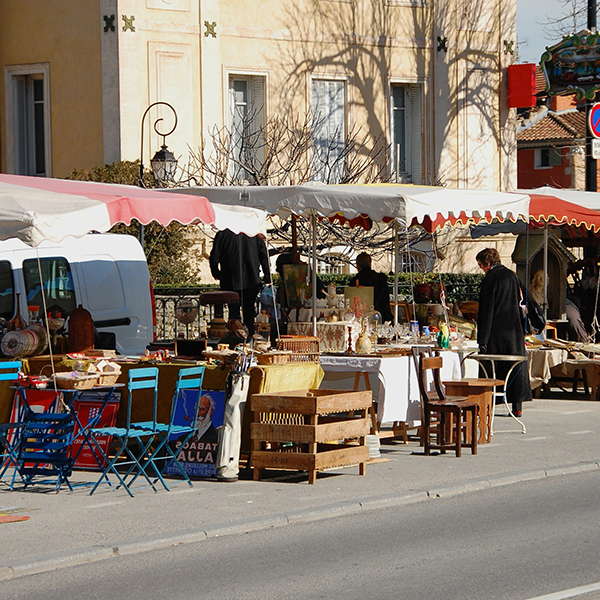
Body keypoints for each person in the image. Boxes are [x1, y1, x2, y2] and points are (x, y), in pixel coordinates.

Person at [476, 248, 531, 417]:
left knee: (490, 369)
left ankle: (487, 403)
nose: (481, 268)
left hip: (496, 332)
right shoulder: (512, 276)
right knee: (514, 369)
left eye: (480, 265)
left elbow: (486, 311)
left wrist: (482, 339)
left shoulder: (490, 279)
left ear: (487, 263)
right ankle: (517, 406)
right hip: (514, 330)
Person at [209, 229, 270, 336]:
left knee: (233, 313)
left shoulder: (223, 234)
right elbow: (264, 256)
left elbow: (214, 257)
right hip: (251, 280)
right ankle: (250, 338)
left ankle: (235, 338)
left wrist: (217, 273)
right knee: (249, 311)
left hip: (230, 280)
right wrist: (267, 277)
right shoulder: (254, 234)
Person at [349, 252, 394, 323]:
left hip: (363, 318)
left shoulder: (357, 280)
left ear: (358, 266)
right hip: (382, 315)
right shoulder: (381, 279)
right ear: (370, 264)